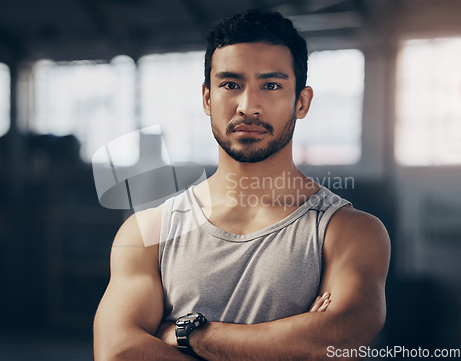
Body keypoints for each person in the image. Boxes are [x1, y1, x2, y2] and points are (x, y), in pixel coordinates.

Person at [93, 9, 390, 361]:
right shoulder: (148, 232)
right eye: (231, 85)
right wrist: (286, 343)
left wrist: (188, 334)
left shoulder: (350, 232)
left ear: (302, 102)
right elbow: (118, 352)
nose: (249, 106)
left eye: (271, 85)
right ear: (207, 98)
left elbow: (335, 342)